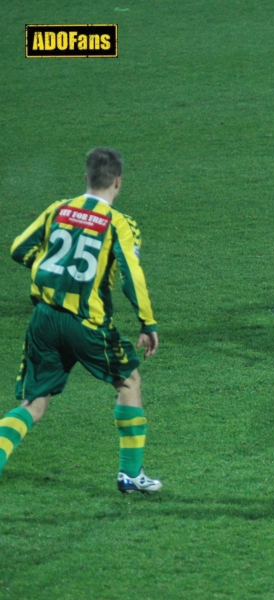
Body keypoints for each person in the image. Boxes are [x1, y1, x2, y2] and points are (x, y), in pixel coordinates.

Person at [1, 147, 162, 493]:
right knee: (129, 381)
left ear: (86, 178)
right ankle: (130, 474)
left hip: (44, 319)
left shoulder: (58, 209)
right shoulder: (118, 223)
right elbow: (131, 277)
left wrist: (48, 270)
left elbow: (18, 247)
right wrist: (147, 323)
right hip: (87, 324)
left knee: (34, 404)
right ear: (118, 181)